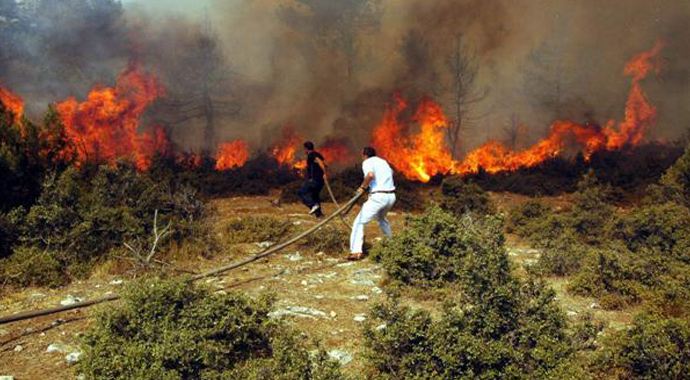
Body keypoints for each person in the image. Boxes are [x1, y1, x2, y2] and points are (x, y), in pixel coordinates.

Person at [349, 146, 396, 261]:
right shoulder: (383, 162)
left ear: (364, 155)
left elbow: (370, 175)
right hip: (391, 196)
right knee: (382, 219)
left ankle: (356, 252)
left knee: (359, 222)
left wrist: (362, 187)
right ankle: (393, 246)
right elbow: (392, 172)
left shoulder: (367, 162)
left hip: (378, 197)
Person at [297, 141, 326, 218]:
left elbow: (321, 163)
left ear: (306, 149)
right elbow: (324, 164)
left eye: (304, 149)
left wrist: (324, 173)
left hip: (315, 180)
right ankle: (319, 215)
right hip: (320, 181)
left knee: (301, 192)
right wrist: (324, 173)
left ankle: (312, 205)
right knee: (315, 196)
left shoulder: (312, 155)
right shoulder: (317, 154)